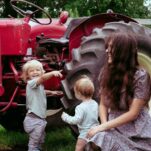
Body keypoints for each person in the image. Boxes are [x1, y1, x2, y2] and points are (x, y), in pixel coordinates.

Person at [86, 32, 151, 151]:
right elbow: (103, 104)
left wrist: (103, 127)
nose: (107, 51)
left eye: (111, 48)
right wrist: (104, 127)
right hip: (113, 124)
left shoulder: (141, 76)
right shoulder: (105, 73)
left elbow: (133, 114)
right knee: (97, 138)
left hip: (136, 129)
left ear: (123, 52)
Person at [21, 60, 63, 151]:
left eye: (37, 70)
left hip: (39, 118)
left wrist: (51, 92)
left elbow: (41, 92)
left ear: (41, 71)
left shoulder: (38, 85)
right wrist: (52, 73)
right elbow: (43, 78)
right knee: (34, 144)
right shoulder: (31, 82)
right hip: (33, 119)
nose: (35, 72)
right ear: (27, 75)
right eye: (31, 71)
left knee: (41, 140)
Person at [61, 76, 100, 151]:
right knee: (96, 148)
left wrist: (66, 117)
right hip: (95, 131)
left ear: (78, 94)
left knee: (78, 148)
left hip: (85, 133)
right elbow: (97, 115)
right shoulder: (95, 103)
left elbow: (76, 120)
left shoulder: (80, 107)